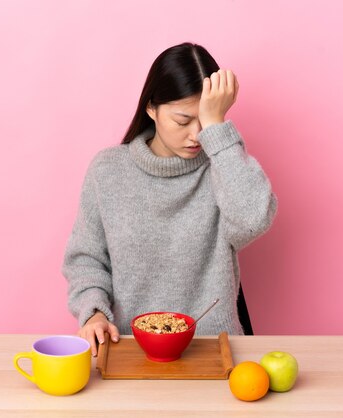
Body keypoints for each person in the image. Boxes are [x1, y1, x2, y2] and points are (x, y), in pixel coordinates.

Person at [62, 42, 277, 356]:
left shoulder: (223, 167)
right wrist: (93, 311)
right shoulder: (108, 171)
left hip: (212, 352)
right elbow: (86, 259)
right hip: (128, 350)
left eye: (204, 121)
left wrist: (218, 130)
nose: (196, 135)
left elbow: (253, 219)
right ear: (151, 108)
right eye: (183, 121)